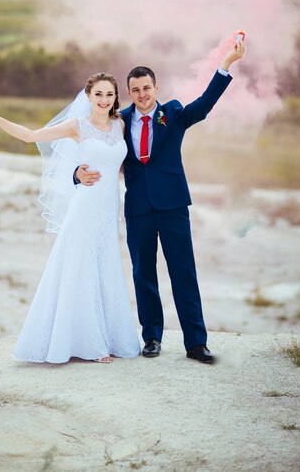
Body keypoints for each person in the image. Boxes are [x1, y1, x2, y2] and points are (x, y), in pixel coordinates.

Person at [75, 41, 245, 364]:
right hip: (138, 208)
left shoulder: (175, 113)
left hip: (173, 207)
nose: (141, 94)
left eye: (146, 88)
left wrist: (227, 63)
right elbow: (90, 146)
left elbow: (205, 104)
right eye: (135, 89)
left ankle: (196, 344)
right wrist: (76, 172)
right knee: (143, 275)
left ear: (156, 88)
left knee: (184, 273)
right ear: (128, 92)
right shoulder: (119, 122)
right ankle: (151, 337)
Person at [0, 72, 141, 364]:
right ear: (87, 97)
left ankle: (109, 337)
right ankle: (91, 345)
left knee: (106, 267)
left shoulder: (120, 125)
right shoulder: (77, 126)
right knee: (80, 268)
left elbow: (120, 163)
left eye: (109, 94)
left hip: (109, 210)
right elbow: (30, 136)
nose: (103, 100)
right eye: (98, 94)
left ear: (116, 97)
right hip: (85, 208)